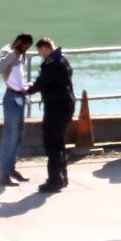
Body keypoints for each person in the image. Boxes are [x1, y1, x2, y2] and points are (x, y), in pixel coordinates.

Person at [25, 38, 76, 193]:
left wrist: (25, 89)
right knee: (59, 142)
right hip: (65, 104)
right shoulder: (62, 60)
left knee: (52, 143)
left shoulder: (53, 63)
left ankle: (54, 180)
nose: (40, 55)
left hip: (56, 106)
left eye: (40, 51)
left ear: (46, 48)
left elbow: (42, 82)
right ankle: (62, 177)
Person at [0, 33, 33, 187]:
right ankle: (3, 175)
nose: (25, 50)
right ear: (19, 42)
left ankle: (11, 169)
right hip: (11, 99)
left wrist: (26, 86)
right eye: (25, 46)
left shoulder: (21, 55)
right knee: (10, 138)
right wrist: (13, 54)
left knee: (18, 137)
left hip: (20, 96)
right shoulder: (8, 52)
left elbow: (17, 77)